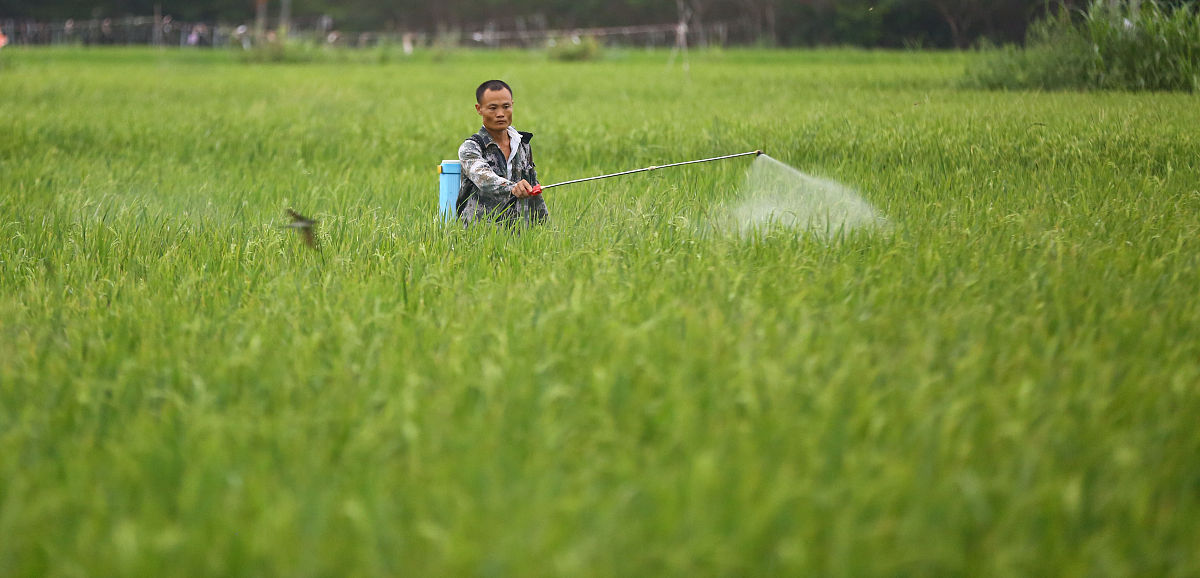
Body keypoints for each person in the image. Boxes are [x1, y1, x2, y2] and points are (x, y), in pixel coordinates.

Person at [457, 79, 547, 226]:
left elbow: (533, 188)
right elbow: (484, 178)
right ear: (479, 109)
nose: (500, 114)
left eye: (506, 106)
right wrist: (512, 188)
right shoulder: (471, 148)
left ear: (512, 105)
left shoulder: (522, 145)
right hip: (479, 234)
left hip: (517, 234)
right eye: (492, 108)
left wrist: (545, 229)